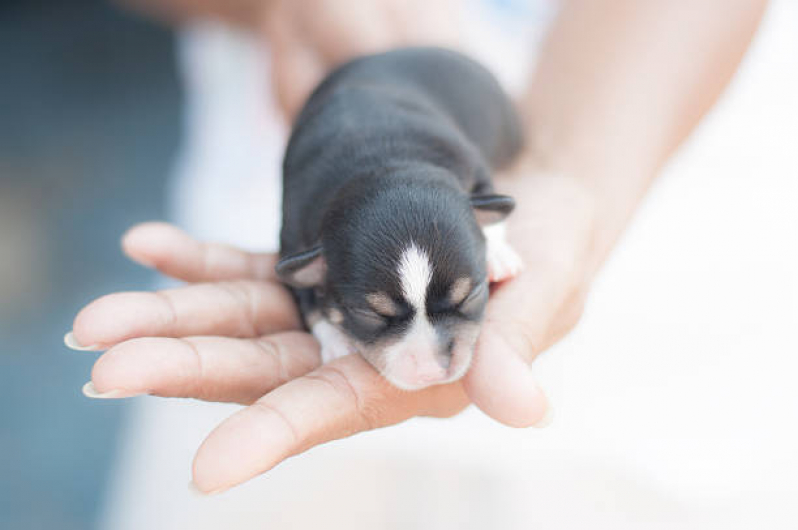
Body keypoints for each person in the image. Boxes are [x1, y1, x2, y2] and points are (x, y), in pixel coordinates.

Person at [68, 0, 773, 521]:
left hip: (659, 141)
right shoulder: (313, 239)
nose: (430, 357)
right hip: (290, 134)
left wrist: (570, 169)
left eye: (458, 305)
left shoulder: (477, 179)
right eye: (377, 321)